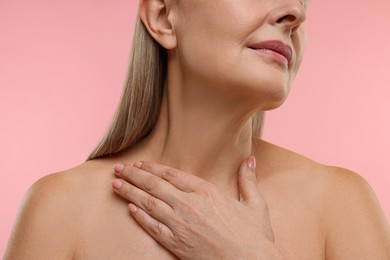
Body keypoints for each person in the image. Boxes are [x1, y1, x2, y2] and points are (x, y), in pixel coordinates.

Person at [4, 0, 390, 259]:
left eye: (302, 0)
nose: (294, 12)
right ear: (163, 17)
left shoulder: (341, 206)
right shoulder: (59, 212)